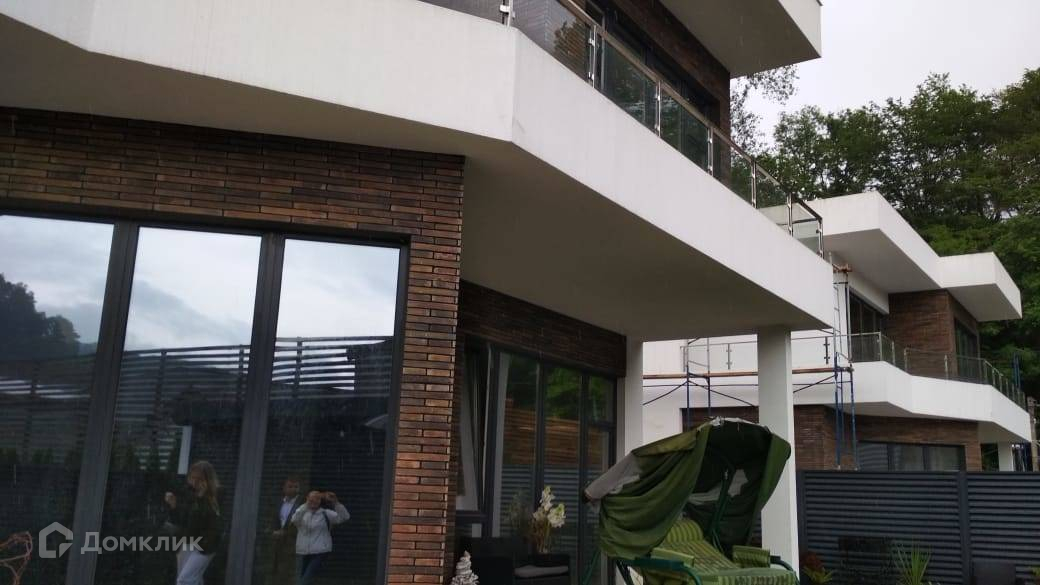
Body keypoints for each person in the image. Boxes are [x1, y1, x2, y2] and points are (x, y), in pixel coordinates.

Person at [164, 461, 222, 585]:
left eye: (199, 479)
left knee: (184, 580)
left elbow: (207, 521)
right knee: (190, 580)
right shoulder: (190, 494)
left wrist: (201, 498)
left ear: (207, 480)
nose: (195, 482)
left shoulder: (215, 497)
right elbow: (183, 521)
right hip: (189, 541)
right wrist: (174, 506)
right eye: (192, 478)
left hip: (205, 545)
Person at [291, 490, 349, 585]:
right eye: (312, 498)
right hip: (302, 551)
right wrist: (306, 505)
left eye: (317, 498)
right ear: (307, 499)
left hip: (319, 552)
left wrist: (336, 503)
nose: (314, 501)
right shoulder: (302, 512)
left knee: (305, 580)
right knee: (299, 579)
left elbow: (344, 517)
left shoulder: (325, 513)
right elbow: (294, 519)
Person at [268, 477, 303, 585]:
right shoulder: (278, 503)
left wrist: (286, 533)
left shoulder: (302, 504)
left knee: (289, 573)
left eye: (296, 487)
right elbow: (273, 520)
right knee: (275, 572)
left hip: (294, 544)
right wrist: (272, 532)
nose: (293, 489)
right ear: (284, 488)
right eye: (290, 486)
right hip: (277, 544)